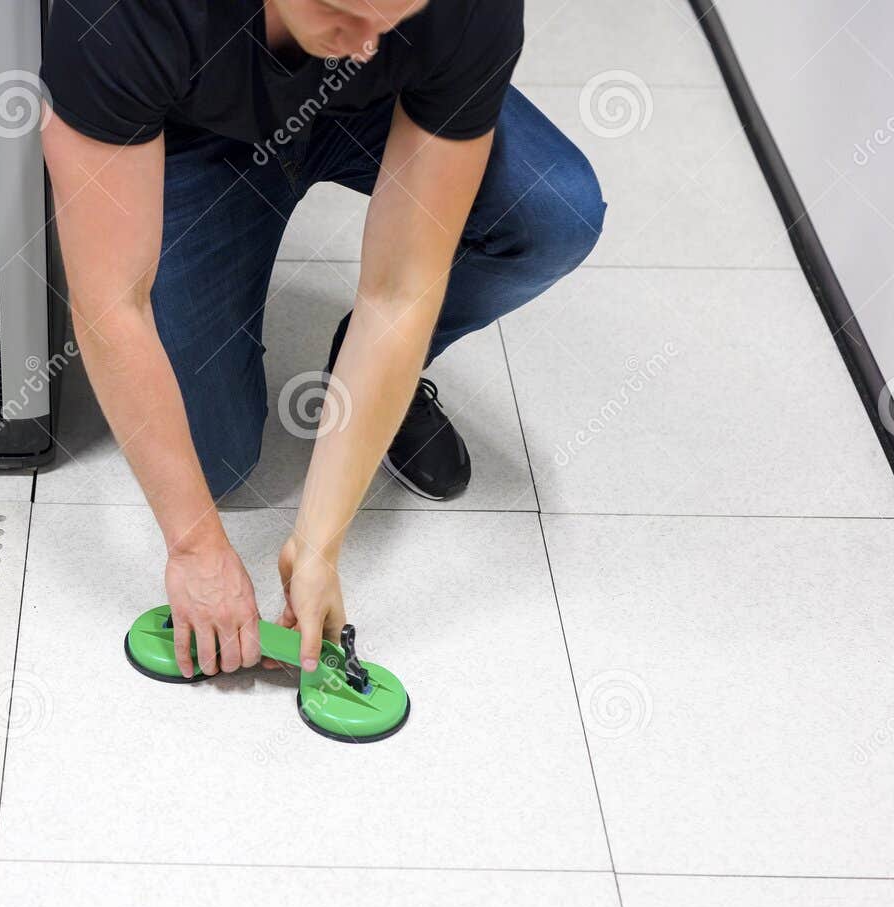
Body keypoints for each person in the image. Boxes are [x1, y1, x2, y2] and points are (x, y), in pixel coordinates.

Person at [41, 0, 604, 680]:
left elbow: (398, 291)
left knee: (554, 213)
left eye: (390, 18)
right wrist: (193, 546)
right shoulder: (125, 14)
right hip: (195, 130)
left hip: (380, 112)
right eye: (346, 12)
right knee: (212, 462)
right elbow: (110, 305)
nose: (366, 44)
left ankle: (368, 385)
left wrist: (319, 545)